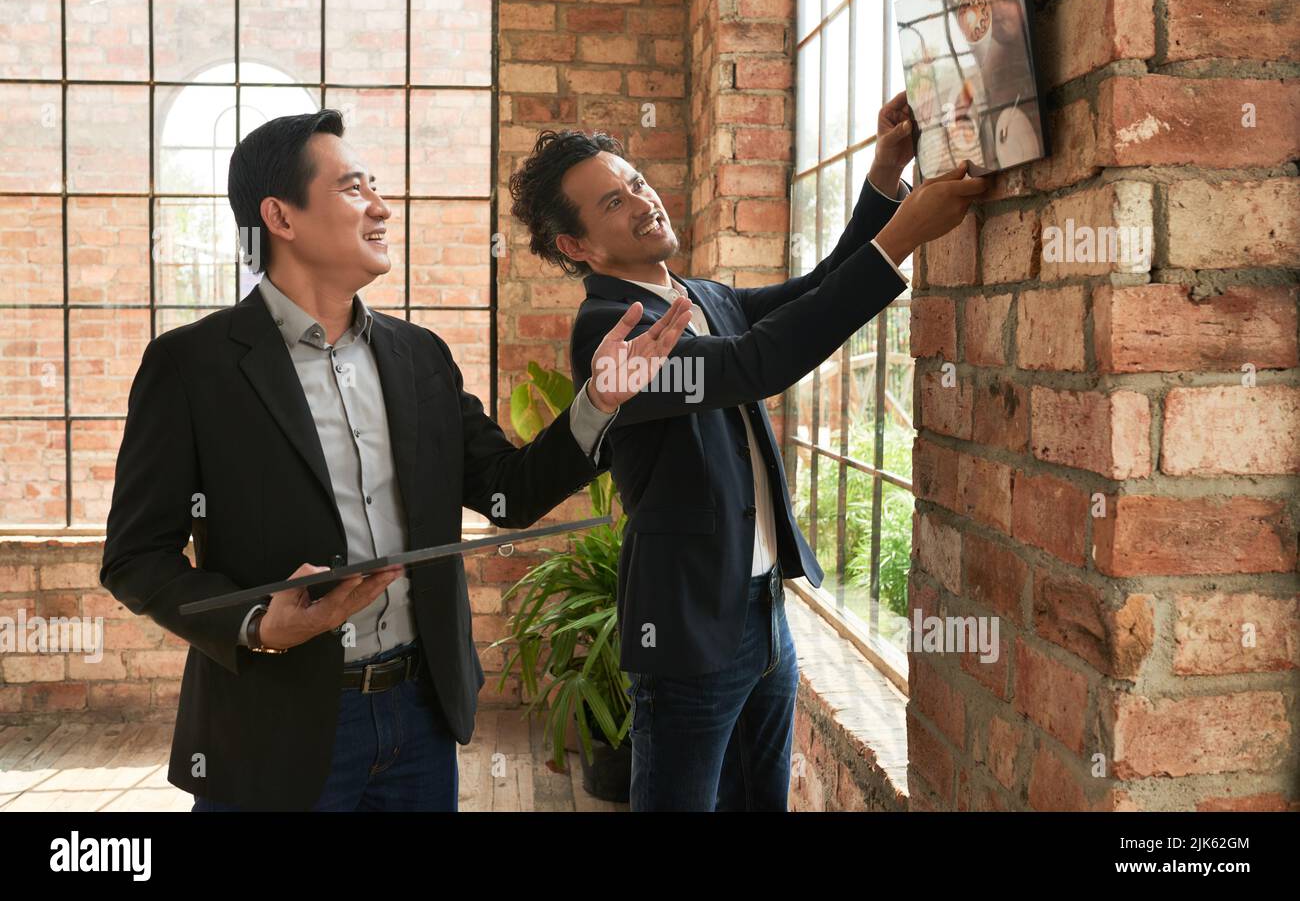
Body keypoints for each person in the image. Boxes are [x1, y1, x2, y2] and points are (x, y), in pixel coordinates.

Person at [99, 109, 693, 811]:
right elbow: (136, 557)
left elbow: (508, 492)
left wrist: (598, 400)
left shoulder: (420, 357)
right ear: (280, 218)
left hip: (418, 718)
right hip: (272, 729)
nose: (381, 207)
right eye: (354, 189)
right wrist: (256, 624)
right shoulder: (191, 366)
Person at [509, 92, 987, 810]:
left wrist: (886, 177)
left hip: (765, 617)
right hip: (686, 631)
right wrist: (903, 239)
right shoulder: (608, 335)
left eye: (636, 182)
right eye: (612, 203)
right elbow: (757, 364)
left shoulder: (700, 294)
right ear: (576, 246)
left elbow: (820, 286)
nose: (642, 202)